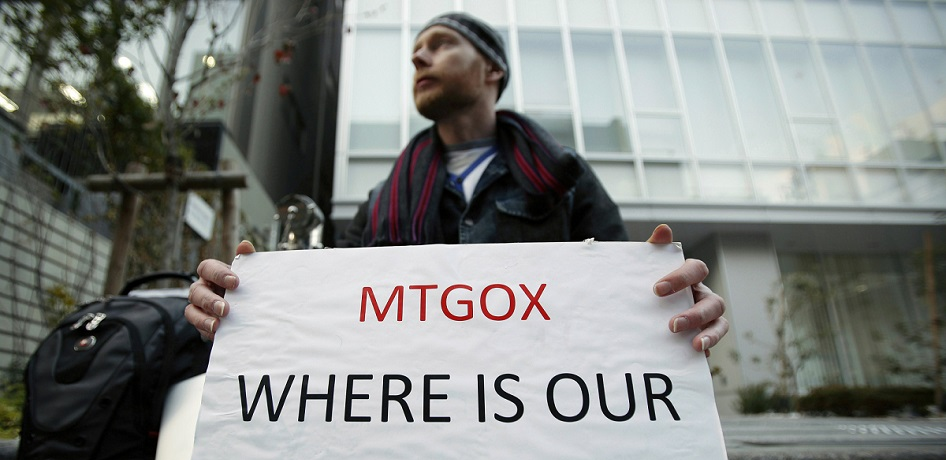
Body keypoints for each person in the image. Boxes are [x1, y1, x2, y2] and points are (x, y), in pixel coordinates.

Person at [186, 12, 728, 353]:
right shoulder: (383, 201)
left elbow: (626, 297)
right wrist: (243, 301)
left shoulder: (562, 175)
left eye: (442, 44)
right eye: (416, 51)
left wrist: (676, 300)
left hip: (542, 412)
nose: (418, 56)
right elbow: (327, 311)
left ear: (492, 69)